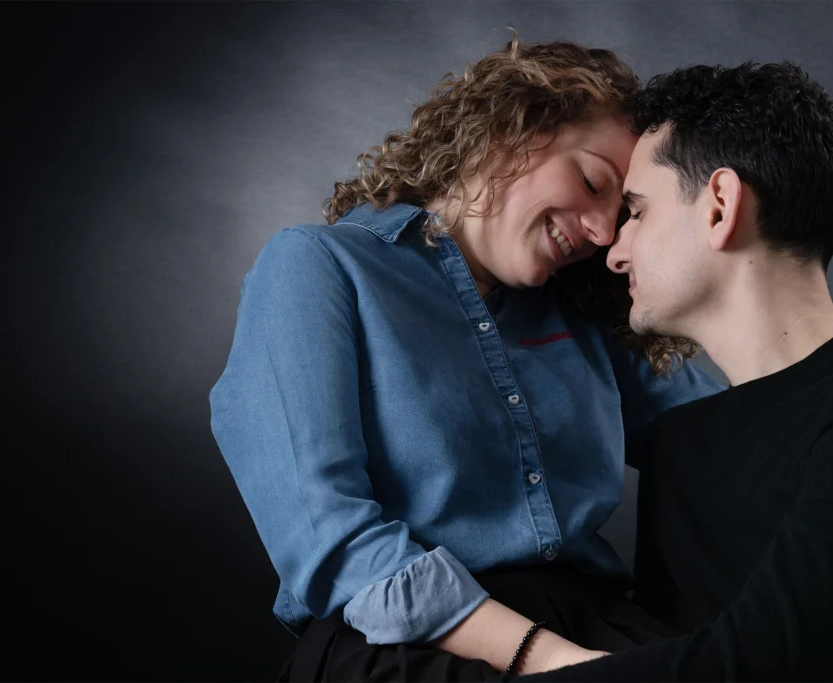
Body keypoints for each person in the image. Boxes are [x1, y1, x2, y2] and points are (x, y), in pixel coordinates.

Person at [208, 36, 723, 682]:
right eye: (592, 181)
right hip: (398, 646)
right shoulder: (317, 267)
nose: (598, 231)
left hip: (591, 621)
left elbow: (728, 435)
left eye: (620, 214)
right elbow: (330, 539)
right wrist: (555, 661)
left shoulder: (587, 314)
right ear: (514, 128)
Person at [515, 61, 833, 682]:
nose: (614, 252)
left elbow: (747, 666)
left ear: (721, 206)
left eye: (638, 212)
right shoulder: (680, 445)